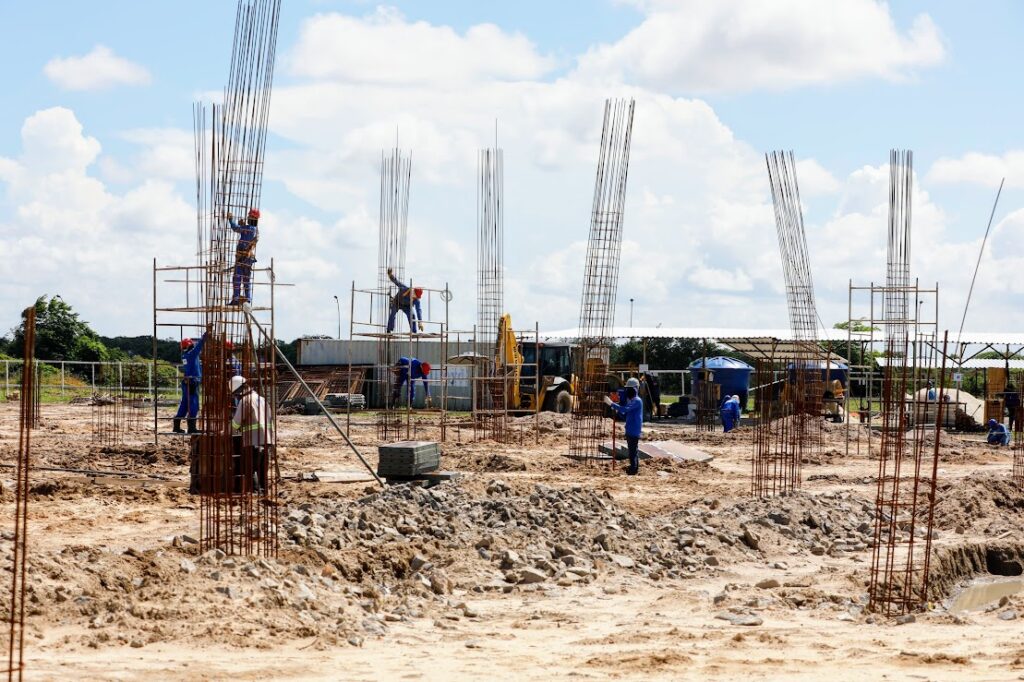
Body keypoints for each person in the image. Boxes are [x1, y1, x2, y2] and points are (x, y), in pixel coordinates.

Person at [231, 376, 274, 494]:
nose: (236, 397)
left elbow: (236, 422)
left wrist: (227, 432)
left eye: (235, 394)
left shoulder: (245, 401)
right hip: (267, 440)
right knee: (262, 469)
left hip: (253, 439)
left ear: (240, 390)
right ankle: (264, 491)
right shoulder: (262, 399)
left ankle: (255, 492)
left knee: (250, 468)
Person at [173, 329, 209, 434]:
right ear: (189, 345)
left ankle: (176, 427)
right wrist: (206, 334)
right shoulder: (192, 354)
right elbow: (200, 344)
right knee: (194, 405)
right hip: (192, 383)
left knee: (184, 404)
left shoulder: (184, 355)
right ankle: (192, 428)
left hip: (187, 382)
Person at [604, 381, 643, 475]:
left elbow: (625, 409)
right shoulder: (633, 401)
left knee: (632, 451)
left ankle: (633, 470)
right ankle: (634, 468)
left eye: (629, 389)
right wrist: (617, 410)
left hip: (633, 429)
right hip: (631, 428)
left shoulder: (637, 401)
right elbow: (625, 413)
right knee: (633, 450)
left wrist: (611, 404)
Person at [228, 208, 260, 306]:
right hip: (248, 259)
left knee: (237, 278)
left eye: (249, 216)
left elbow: (235, 228)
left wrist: (230, 219)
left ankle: (236, 299)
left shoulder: (248, 228)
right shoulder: (255, 230)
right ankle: (248, 299)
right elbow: (245, 231)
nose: (248, 217)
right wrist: (243, 226)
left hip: (242, 258)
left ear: (252, 218)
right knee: (246, 280)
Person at [386, 267, 424, 333]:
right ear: (413, 292)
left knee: (412, 316)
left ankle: (414, 332)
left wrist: (420, 321)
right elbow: (397, 282)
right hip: (397, 302)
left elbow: (419, 310)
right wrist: (390, 275)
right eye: (415, 296)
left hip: (407, 306)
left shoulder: (416, 300)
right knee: (392, 314)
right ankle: (389, 330)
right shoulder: (405, 288)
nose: (415, 298)